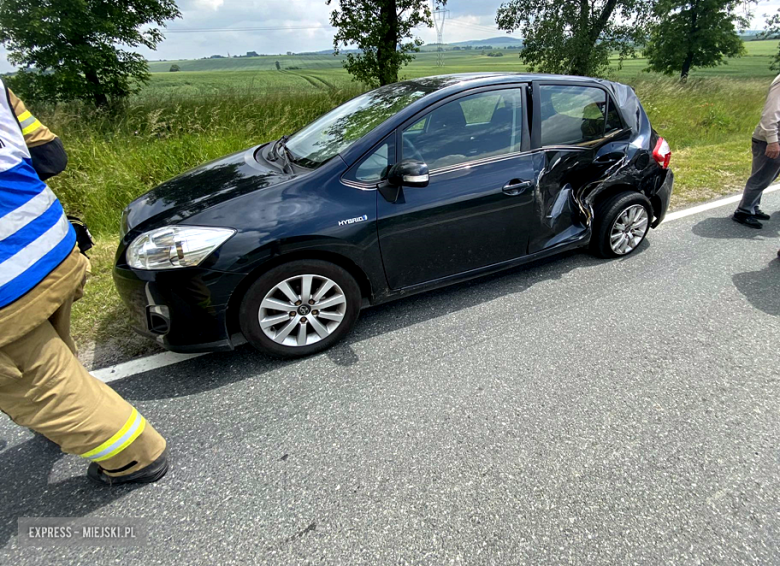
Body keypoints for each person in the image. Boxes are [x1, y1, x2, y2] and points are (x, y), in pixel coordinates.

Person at [0, 83, 170, 485]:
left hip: (9, 282)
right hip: (49, 244)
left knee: (38, 384)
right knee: (52, 354)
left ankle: (136, 456)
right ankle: (57, 419)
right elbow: (50, 156)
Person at [733, 75, 780, 229]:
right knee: (760, 177)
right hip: (769, 140)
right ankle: (743, 211)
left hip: (773, 139)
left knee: (768, 176)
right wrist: (772, 140)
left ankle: (753, 207)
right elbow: (770, 113)